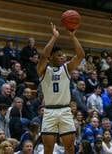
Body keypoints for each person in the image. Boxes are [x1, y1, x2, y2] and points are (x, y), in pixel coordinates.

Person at [37, 22, 85, 154]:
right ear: (51, 57)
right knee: (48, 149)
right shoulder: (42, 70)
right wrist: (54, 37)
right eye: (59, 55)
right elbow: (43, 56)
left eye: (63, 55)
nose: (63, 57)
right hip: (49, 111)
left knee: (70, 148)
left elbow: (80, 55)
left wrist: (72, 37)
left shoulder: (67, 68)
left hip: (65, 110)